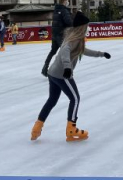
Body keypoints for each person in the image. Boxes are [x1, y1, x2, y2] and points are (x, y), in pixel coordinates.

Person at [30, 11, 111, 142]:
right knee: (75, 99)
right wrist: (67, 67)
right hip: (62, 74)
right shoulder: (73, 39)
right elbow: (64, 52)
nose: (88, 29)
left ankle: (37, 127)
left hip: (53, 73)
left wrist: (101, 54)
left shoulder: (73, 38)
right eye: (86, 26)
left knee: (52, 100)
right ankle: (71, 129)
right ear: (82, 27)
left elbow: (84, 51)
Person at [42, 0, 73, 77]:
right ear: (65, 1)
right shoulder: (64, 10)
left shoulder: (56, 10)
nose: (68, 3)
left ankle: (45, 67)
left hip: (54, 34)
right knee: (64, 52)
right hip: (61, 34)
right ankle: (64, 70)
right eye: (67, 1)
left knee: (53, 51)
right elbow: (68, 22)